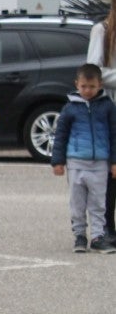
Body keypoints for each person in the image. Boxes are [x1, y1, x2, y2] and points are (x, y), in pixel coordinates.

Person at [50, 62, 116, 253]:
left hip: (100, 164)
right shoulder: (70, 108)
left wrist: (114, 162)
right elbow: (60, 135)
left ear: (100, 85)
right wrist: (58, 161)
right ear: (77, 84)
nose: (88, 90)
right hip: (76, 162)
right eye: (84, 86)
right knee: (77, 202)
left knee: (98, 203)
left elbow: (114, 135)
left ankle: (97, 236)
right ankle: (79, 235)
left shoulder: (108, 107)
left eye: (92, 86)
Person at [86, 0, 116, 241]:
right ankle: (106, 226)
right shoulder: (102, 31)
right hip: (109, 108)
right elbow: (94, 72)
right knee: (109, 171)